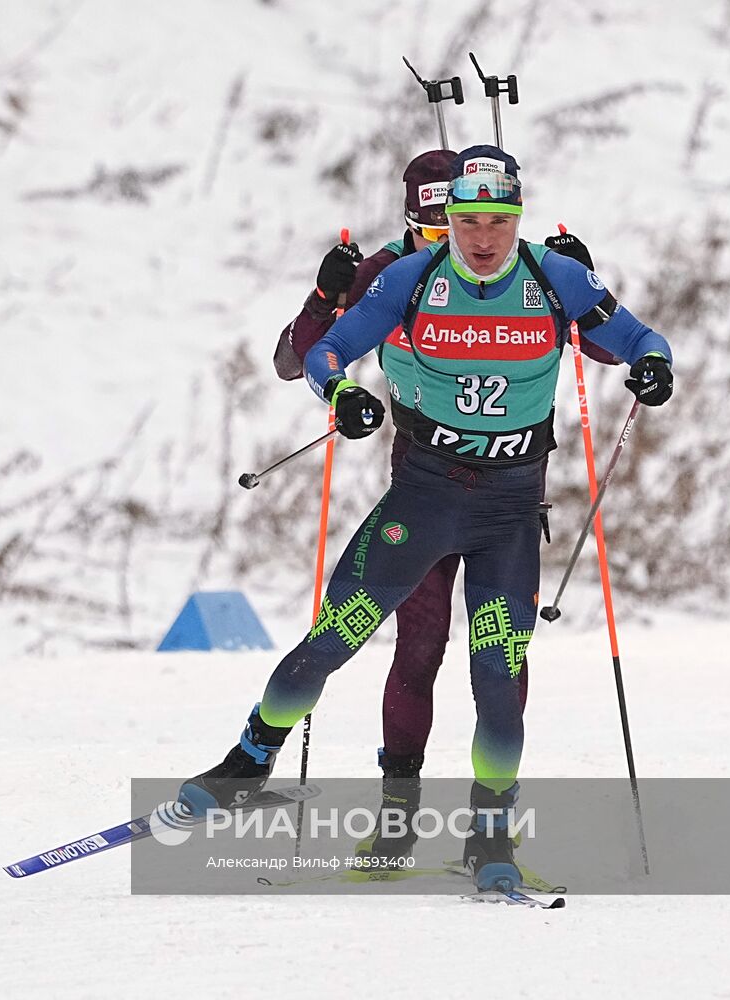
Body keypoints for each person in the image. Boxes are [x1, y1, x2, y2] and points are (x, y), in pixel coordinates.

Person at [184, 145, 675, 891]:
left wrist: (653, 367)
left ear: (518, 221)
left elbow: (640, 338)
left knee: (498, 679)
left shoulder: (557, 278)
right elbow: (327, 355)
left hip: (509, 512)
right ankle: (252, 758)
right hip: (424, 498)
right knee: (333, 639)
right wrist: (340, 396)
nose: (480, 238)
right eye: (465, 221)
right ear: (444, 220)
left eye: (496, 222)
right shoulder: (413, 279)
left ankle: (489, 836)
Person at [271, 151, 620, 865]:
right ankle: (397, 822)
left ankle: (490, 827)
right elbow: (298, 357)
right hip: (425, 484)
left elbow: (602, 340)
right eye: (429, 226)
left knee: (500, 660)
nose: (453, 241)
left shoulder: (511, 264)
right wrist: (320, 295)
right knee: (420, 647)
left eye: (452, 223)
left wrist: (589, 285)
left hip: (509, 491)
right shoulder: (395, 271)